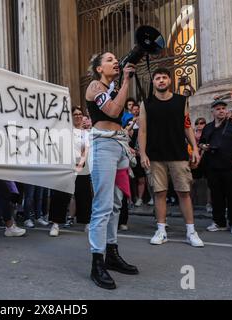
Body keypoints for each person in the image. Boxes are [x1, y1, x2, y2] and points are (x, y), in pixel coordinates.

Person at [85, 52, 139, 290]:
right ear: (98, 68)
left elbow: (121, 117)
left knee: (117, 204)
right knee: (103, 205)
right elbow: (114, 112)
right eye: (109, 59)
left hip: (118, 147)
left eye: (116, 58)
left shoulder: (114, 87)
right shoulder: (95, 87)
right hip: (103, 147)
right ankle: (97, 262)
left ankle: (112, 252)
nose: (115, 61)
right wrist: (127, 81)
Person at [138, 67, 204, 248]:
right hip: (155, 155)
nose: (161, 80)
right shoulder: (146, 103)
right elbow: (142, 131)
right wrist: (143, 153)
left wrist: (195, 148)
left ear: (169, 81)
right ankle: (161, 230)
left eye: (164, 78)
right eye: (157, 78)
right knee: (159, 193)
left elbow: (187, 125)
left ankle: (191, 231)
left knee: (184, 192)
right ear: (153, 82)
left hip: (178, 154)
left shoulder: (181, 101)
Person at [200, 100, 232, 234]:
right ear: (212, 112)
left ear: (226, 111)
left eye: (223, 108)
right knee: (216, 196)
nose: (221, 111)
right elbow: (201, 143)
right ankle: (219, 222)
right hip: (212, 167)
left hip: (231, 166)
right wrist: (204, 146)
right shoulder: (208, 127)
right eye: (218, 109)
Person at [48, 106, 92, 237]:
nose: (78, 116)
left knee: (84, 196)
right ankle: (55, 224)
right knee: (60, 196)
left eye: (80, 114)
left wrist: (81, 163)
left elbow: (86, 149)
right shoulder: (65, 131)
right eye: (75, 114)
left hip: (82, 168)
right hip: (67, 167)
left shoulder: (87, 133)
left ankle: (87, 223)